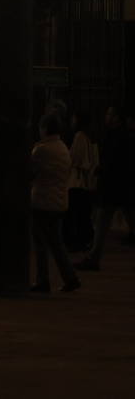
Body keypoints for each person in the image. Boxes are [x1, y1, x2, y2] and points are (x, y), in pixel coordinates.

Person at [78, 107, 132, 271]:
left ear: (117, 118)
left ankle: (94, 258)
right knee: (104, 221)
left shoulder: (116, 136)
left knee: (102, 222)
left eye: (110, 114)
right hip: (119, 186)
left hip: (112, 186)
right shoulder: (121, 136)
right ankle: (93, 257)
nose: (106, 116)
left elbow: (113, 161)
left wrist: (101, 170)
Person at [31, 112, 80, 293]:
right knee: (57, 244)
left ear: (44, 128)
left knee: (40, 244)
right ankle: (70, 277)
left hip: (42, 201)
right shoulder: (62, 147)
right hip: (59, 201)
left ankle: (43, 280)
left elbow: (31, 172)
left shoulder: (41, 149)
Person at [64, 111, 98, 253]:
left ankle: (76, 241)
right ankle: (84, 240)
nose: (72, 121)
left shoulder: (79, 136)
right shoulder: (88, 137)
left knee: (75, 213)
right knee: (83, 213)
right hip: (84, 181)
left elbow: (75, 159)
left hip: (76, 180)